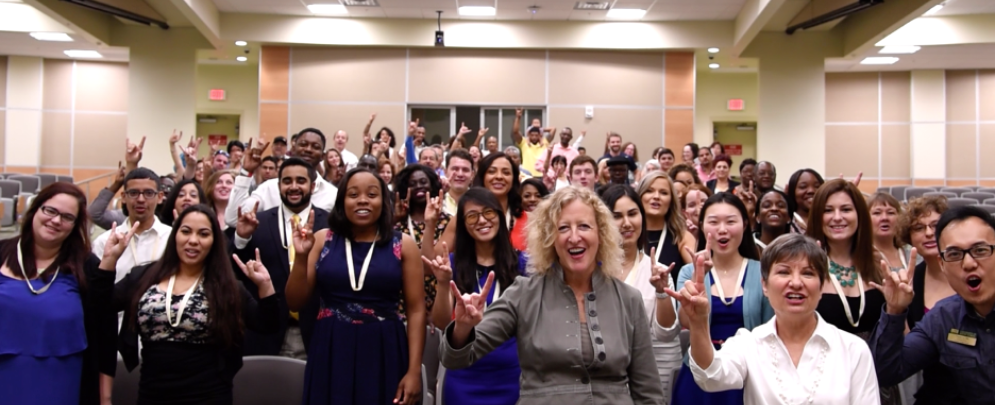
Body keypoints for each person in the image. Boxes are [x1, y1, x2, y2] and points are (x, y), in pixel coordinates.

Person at [440, 186, 665, 404]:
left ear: (601, 234)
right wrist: (463, 327)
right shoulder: (524, 293)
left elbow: (648, 392)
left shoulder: (629, 299)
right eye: (563, 228)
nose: (574, 237)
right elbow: (456, 357)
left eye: (584, 226)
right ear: (549, 238)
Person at [671, 234, 880, 404]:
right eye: (784, 272)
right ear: (764, 285)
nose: (796, 283)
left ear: (822, 285)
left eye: (808, 273)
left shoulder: (853, 349)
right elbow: (711, 376)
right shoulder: (748, 343)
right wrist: (699, 323)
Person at [113, 205, 280, 404]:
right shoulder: (144, 277)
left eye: (203, 234)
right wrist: (109, 260)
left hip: (208, 395)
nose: (193, 240)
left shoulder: (226, 287)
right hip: (152, 393)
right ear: (175, 235)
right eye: (186, 231)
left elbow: (267, 324)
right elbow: (100, 303)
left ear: (214, 242)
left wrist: (265, 285)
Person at [286, 169, 425, 405]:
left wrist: (413, 371)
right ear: (342, 201)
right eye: (353, 194)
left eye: (372, 194)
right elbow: (294, 302)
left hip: (384, 347)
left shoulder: (403, 244)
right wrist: (301, 257)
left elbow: (416, 310)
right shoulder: (322, 239)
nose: (362, 200)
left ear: (384, 201)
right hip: (331, 347)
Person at [0, 183, 132, 405]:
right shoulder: (2, 252)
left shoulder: (88, 267)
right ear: (35, 210)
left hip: (62, 383)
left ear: (74, 225)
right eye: (50, 210)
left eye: (67, 217)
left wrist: (105, 398)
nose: (56, 220)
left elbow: (104, 333)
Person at [869, 205, 995, 405]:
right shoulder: (943, 317)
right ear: (943, 265)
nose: (969, 263)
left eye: (980, 250)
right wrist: (895, 310)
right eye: (954, 254)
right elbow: (885, 373)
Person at [423, 188, 527, 405]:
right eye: (472, 216)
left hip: (512, 375)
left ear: (500, 216)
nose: (482, 220)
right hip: (464, 375)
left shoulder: (522, 264)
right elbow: (442, 322)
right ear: (463, 224)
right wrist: (443, 283)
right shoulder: (453, 264)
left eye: (489, 212)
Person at [671, 192, 772, 404]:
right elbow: (686, 322)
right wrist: (702, 279)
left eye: (731, 221)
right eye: (714, 222)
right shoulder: (689, 272)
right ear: (701, 225)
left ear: (745, 225)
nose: (722, 229)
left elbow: (770, 328)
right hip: (698, 374)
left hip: (747, 375)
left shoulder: (763, 272)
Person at [231, 158, 329, 359]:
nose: (293, 187)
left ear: (312, 186)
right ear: (278, 186)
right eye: (287, 181)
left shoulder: (330, 224)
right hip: (266, 333)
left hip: (318, 332)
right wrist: (241, 239)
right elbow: (236, 273)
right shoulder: (257, 222)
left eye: (300, 181)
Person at [599, 185, 683, 401]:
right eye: (616, 216)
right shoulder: (591, 271)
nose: (627, 223)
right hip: (602, 377)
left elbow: (666, 333)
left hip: (648, 376)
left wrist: (661, 291)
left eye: (633, 214)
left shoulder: (657, 270)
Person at [226, 128, 337, 229]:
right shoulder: (269, 188)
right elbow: (233, 220)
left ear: (323, 156)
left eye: (315, 147)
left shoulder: (333, 195)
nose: (308, 149)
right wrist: (246, 172)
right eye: (303, 144)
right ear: (293, 150)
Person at [92, 168, 172, 282]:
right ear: (124, 197)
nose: (140, 199)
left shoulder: (172, 238)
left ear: (159, 197)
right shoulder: (104, 242)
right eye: (133, 193)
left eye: (148, 193)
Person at [897, 196, 954, 330]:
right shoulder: (909, 282)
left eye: (935, 225)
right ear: (909, 237)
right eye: (919, 228)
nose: (929, 233)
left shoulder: (970, 270)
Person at [869, 193, 914, 272]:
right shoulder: (859, 255)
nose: (884, 218)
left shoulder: (911, 252)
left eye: (890, 213)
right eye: (877, 213)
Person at [512, 109, 553, 175]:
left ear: (540, 135)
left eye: (536, 135)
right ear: (528, 135)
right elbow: (515, 132)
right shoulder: (524, 143)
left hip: (542, 175)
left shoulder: (544, 142)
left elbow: (553, 129)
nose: (534, 137)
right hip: (526, 175)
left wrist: (540, 129)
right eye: (532, 135)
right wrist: (518, 117)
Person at [787, 169, 824, 234]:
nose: (811, 191)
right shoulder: (786, 223)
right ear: (792, 191)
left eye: (817, 186)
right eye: (803, 187)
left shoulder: (829, 220)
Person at [443, 149, 474, 216]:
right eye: (455, 169)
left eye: (465, 170)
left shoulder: (480, 201)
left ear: (472, 175)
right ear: (445, 172)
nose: (460, 174)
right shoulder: (437, 201)